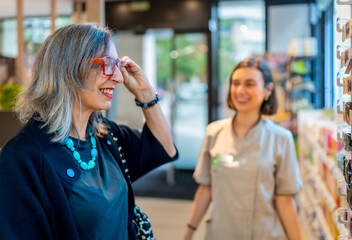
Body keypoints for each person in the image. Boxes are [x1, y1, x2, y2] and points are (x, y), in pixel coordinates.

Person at [0, 23, 178, 240]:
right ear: (69, 68)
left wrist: (145, 93)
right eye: (107, 64)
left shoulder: (105, 136)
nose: (119, 78)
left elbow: (164, 149)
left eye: (117, 66)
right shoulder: (23, 156)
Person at [184, 58, 302, 240]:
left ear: (267, 90)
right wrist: (188, 232)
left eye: (250, 84)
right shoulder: (214, 132)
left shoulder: (281, 138)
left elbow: (285, 199)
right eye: (235, 83)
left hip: (265, 234)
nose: (240, 91)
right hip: (221, 233)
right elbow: (206, 188)